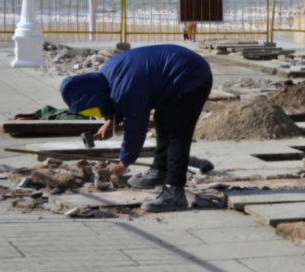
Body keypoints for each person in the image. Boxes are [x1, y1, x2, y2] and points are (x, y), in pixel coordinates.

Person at [60, 44, 212, 212]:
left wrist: (124, 162)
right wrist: (112, 120)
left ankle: (174, 193)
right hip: (176, 74)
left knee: (176, 132)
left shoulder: (125, 87)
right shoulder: (107, 75)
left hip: (191, 77)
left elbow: (136, 126)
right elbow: (118, 98)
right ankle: (159, 172)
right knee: (163, 122)